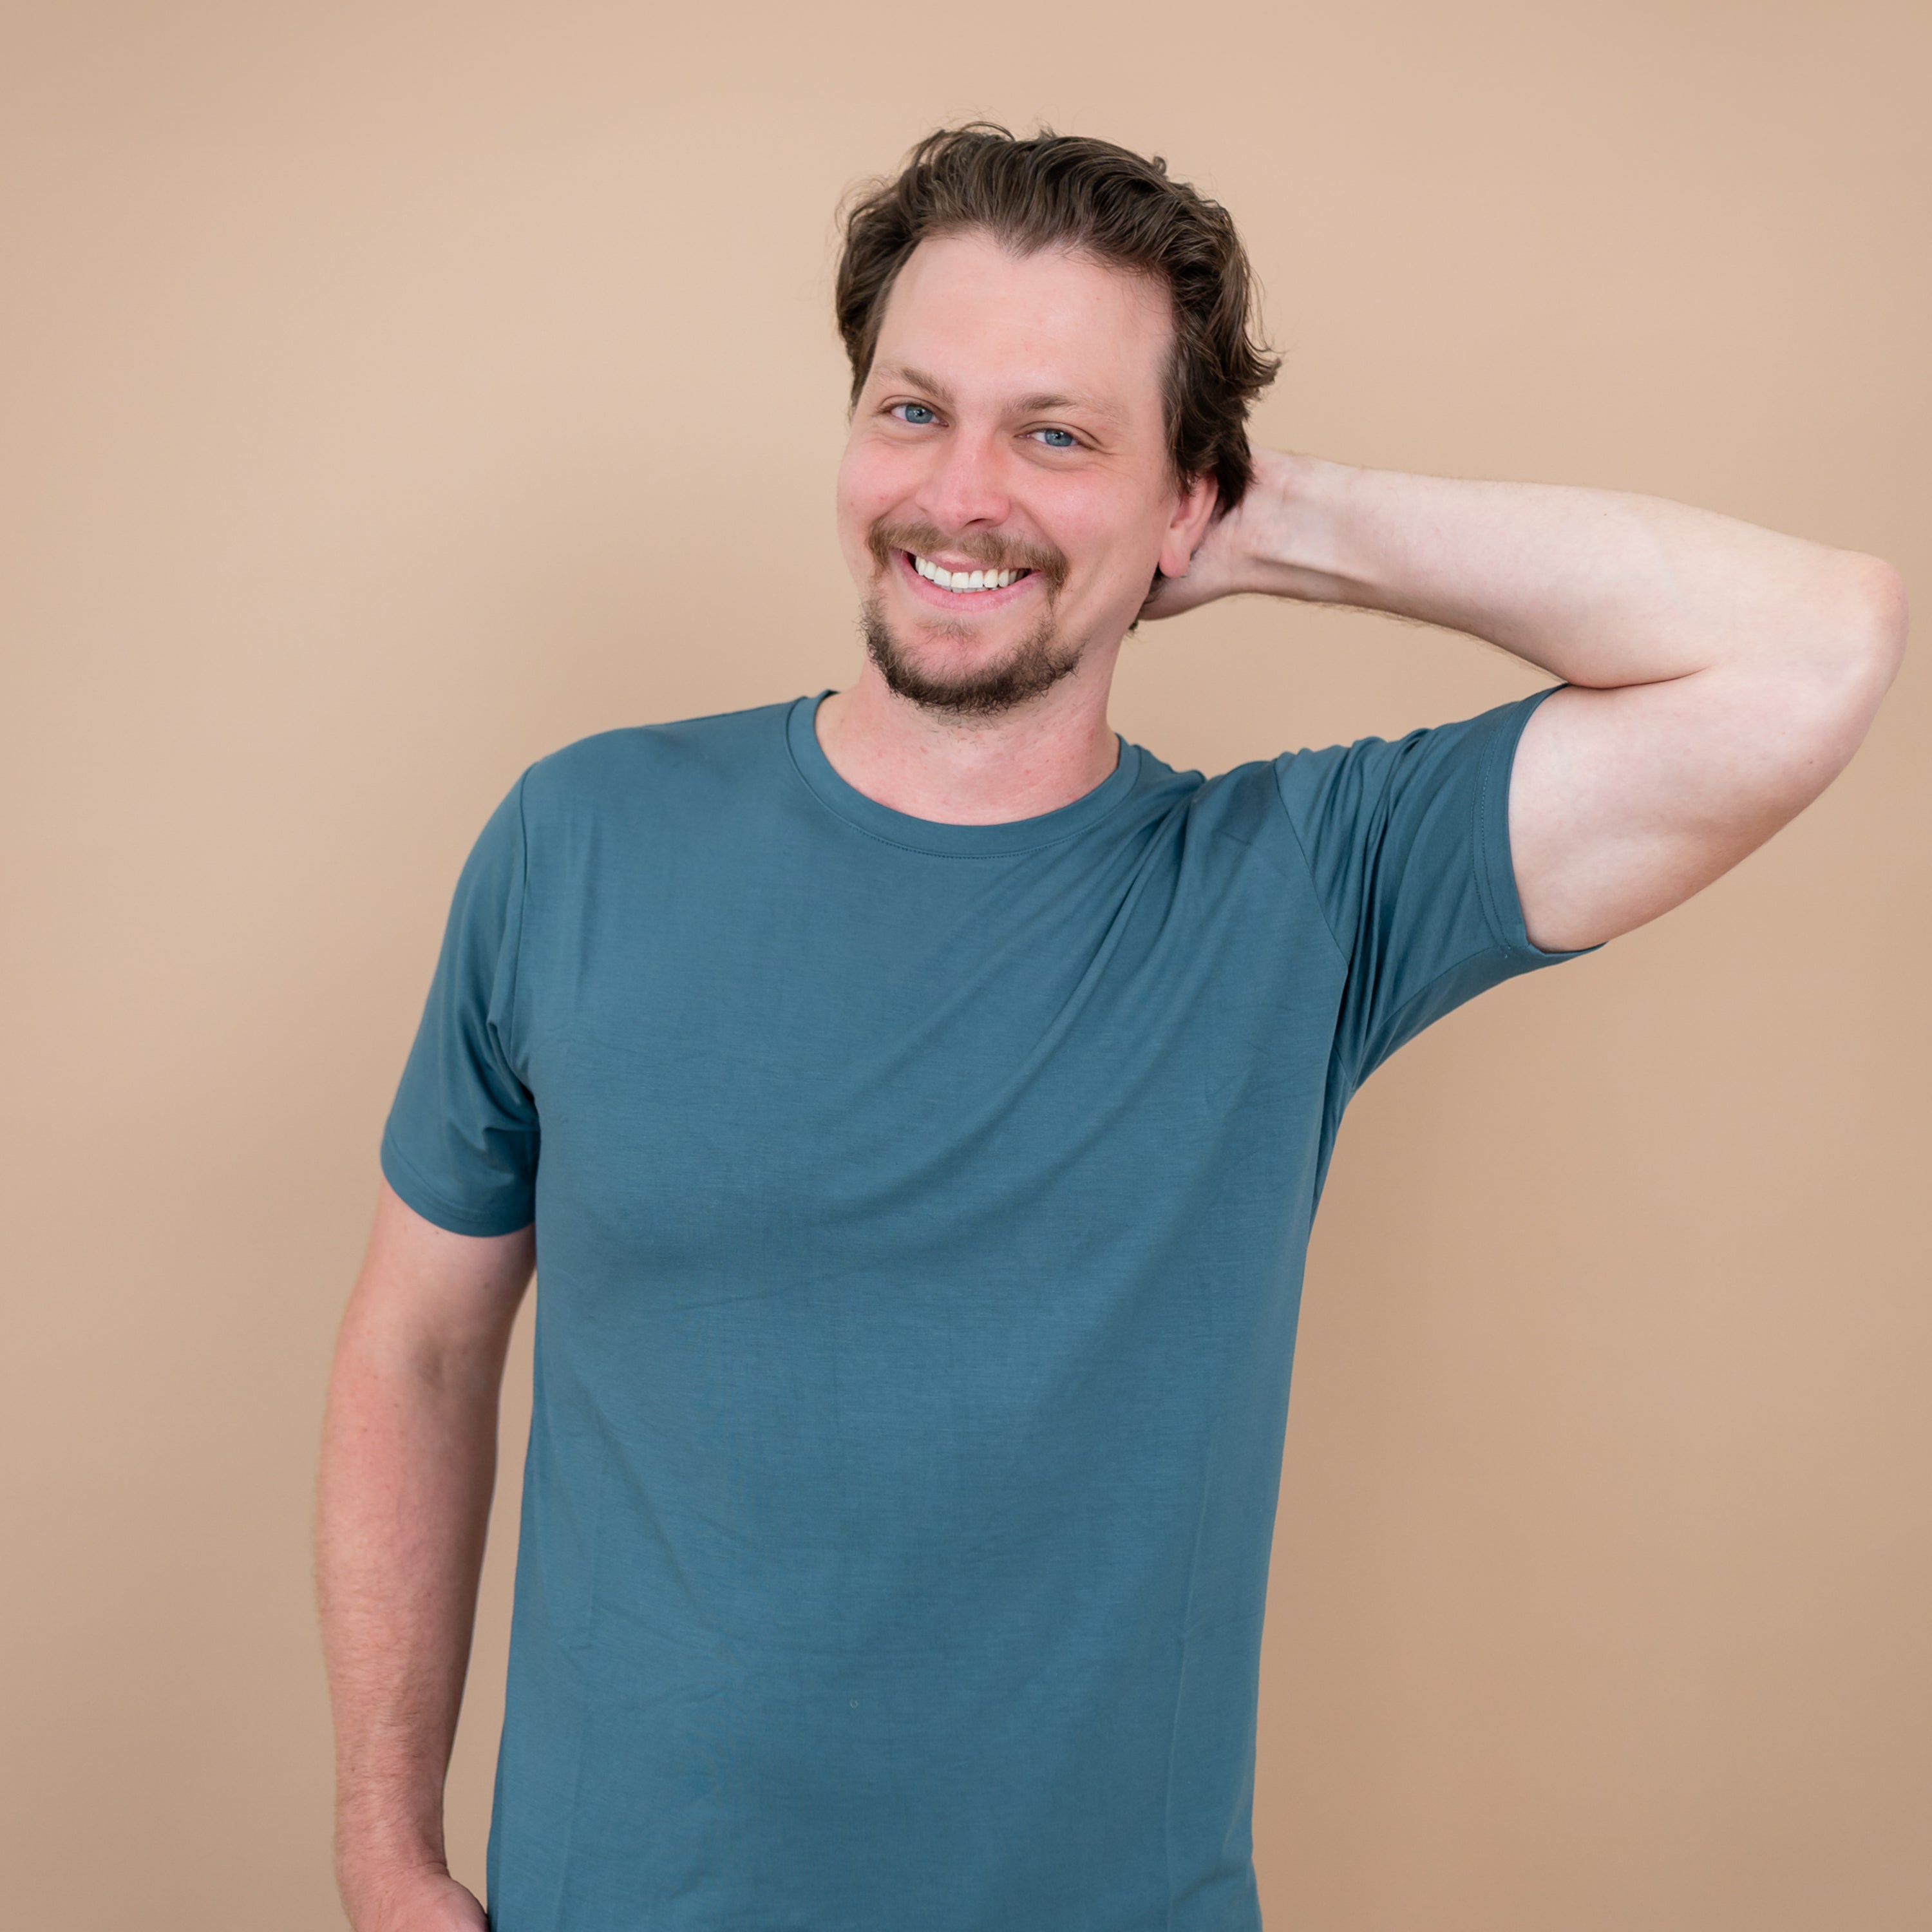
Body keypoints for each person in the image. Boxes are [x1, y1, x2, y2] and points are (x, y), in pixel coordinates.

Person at [314, 126, 1906, 1932]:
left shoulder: (1299, 891)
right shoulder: (582, 835)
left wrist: (1279, 517)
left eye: (1057, 434)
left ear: (1185, 503)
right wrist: (386, 1849)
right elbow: (420, 1354)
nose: (961, 492)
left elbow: (1817, 649)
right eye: (914, 411)